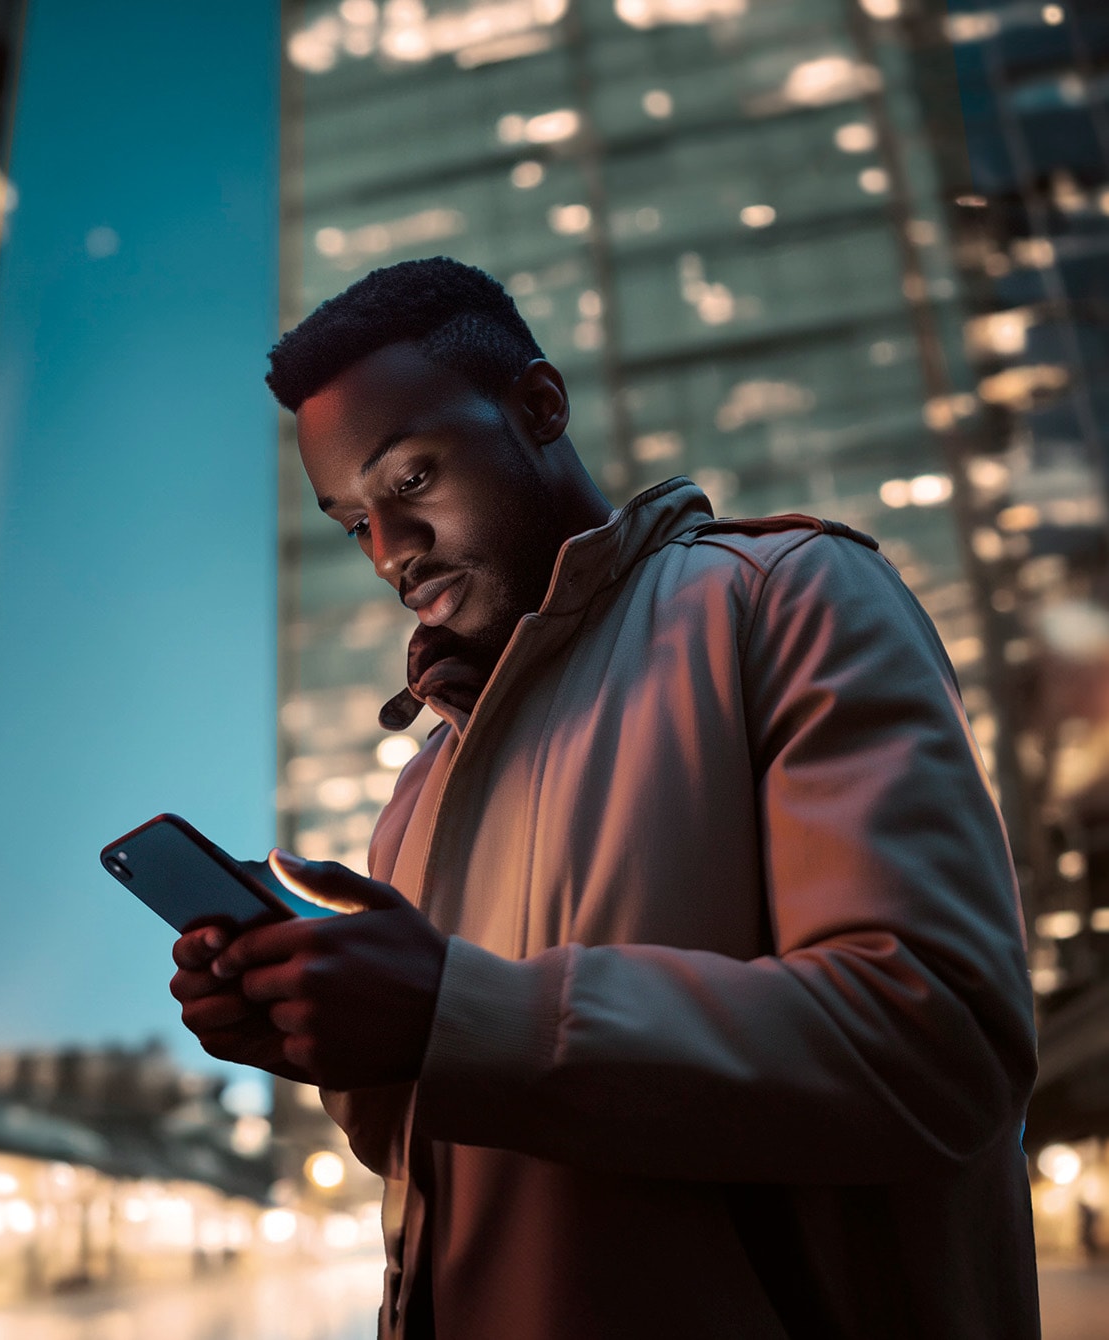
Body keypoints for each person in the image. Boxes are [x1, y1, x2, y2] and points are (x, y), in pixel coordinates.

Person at [170, 257, 1040, 1338]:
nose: (390, 552)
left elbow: (933, 1044)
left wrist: (449, 1008)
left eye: (409, 481)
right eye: (353, 522)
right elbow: (450, 1164)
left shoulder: (783, 598)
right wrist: (322, 1033)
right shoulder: (416, 790)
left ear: (537, 407)